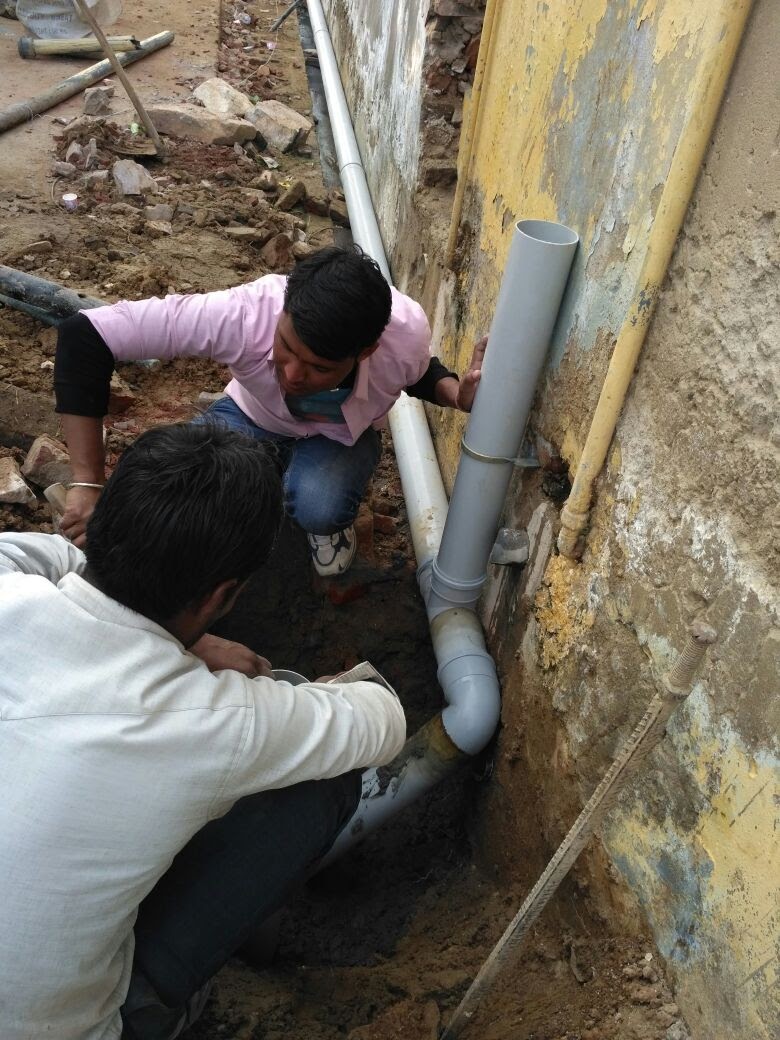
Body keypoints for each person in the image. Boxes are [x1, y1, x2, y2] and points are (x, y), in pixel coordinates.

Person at [0, 422, 406, 1040]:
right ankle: (168, 1009)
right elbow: (383, 721)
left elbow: (42, 556)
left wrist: (181, 633)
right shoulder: (217, 720)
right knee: (321, 781)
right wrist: (289, 697)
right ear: (221, 595)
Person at [54, 245, 486, 576]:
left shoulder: (403, 336)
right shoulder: (243, 314)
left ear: (366, 351)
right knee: (180, 491)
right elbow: (86, 335)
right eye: (286, 348)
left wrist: (455, 395)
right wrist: (87, 483)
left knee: (319, 505)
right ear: (284, 311)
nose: (294, 375)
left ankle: (327, 526)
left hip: (339, 437)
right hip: (251, 416)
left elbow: (417, 373)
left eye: (320, 367)